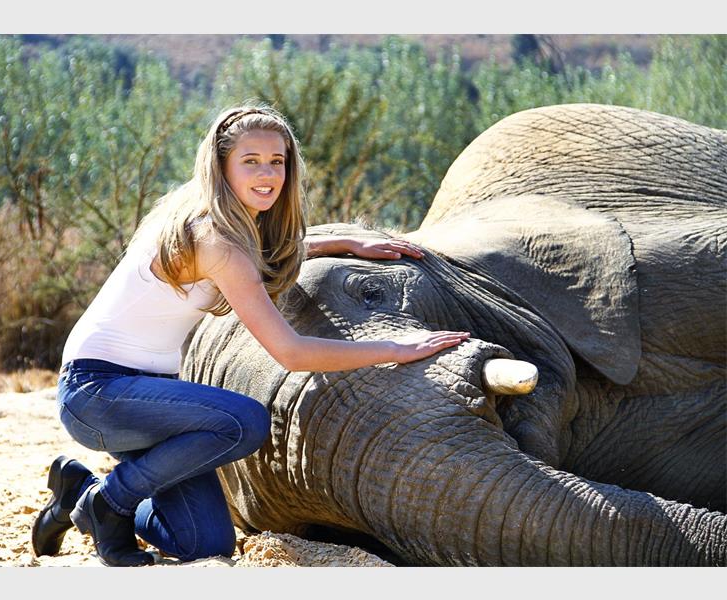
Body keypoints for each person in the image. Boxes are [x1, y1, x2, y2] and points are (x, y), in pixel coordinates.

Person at [31, 104, 470, 567]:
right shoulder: (215, 239)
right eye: (251, 161)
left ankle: (80, 492)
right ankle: (108, 502)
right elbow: (292, 352)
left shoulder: (215, 220)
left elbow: (261, 255)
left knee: (202, 545)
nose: (267, 174)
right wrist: (395, 349)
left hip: (149, 398)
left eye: (277, 161)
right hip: (99, 392)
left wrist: (342, 242)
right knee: (244, 422)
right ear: (221, 167)